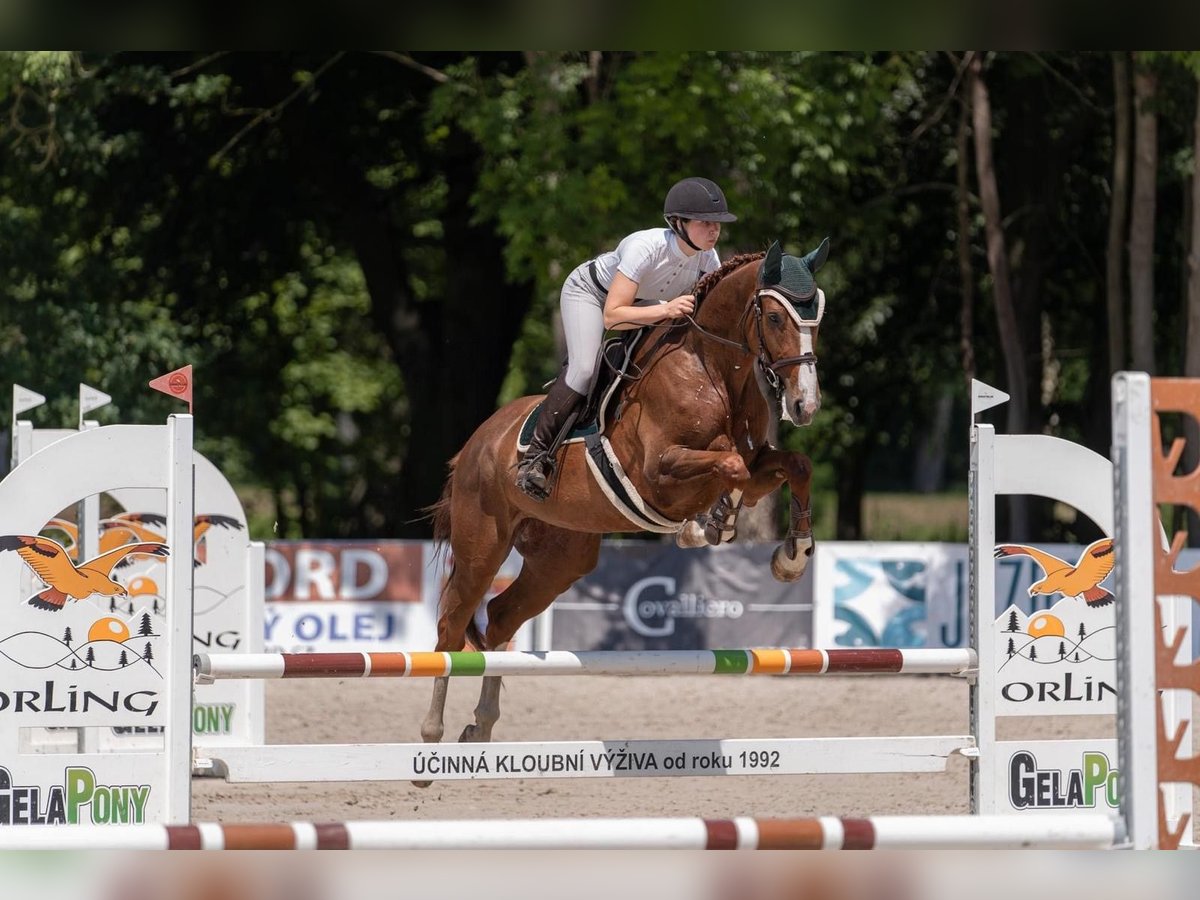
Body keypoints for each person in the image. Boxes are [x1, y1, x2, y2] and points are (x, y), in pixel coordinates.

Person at [516, 176, 738, 500]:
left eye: (717, 223)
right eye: (705, 222)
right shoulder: (645, 247)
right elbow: (614, 317)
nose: (714, 230)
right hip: (593, 295)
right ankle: (536, 456)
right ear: (678, 223)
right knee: (584, 369)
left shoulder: (709, 259)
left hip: (646, 305)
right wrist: (666, 310)